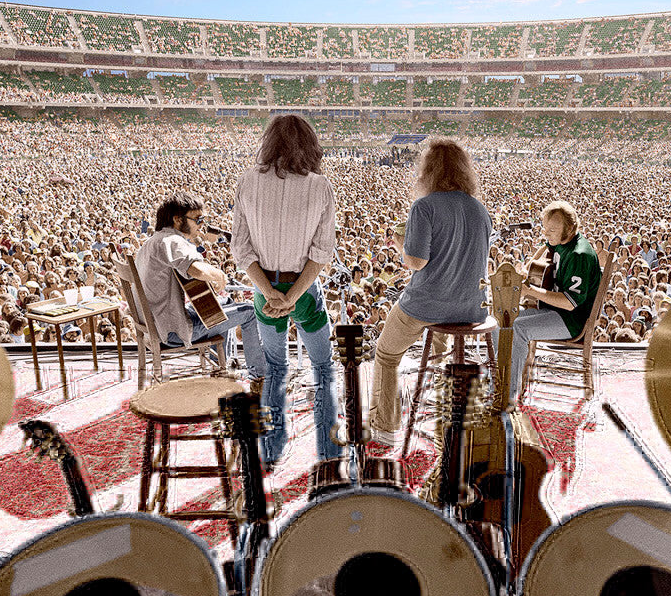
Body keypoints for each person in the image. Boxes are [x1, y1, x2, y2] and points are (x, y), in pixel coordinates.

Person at [231, 115, 340, 470]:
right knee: (323, 368)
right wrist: (293, 296)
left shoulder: (247, 181)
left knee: (276, 368)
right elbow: (321, 253)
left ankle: (272, 452)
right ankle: (329, 454)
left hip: (264, 289)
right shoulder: (320, 186)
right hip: (305, 290)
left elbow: (242, 251)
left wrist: (271, 293)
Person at [368, 139, 491, 445]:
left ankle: (385, 426)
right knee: (438, 345)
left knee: (385, 354)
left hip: (429, 303)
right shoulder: (480, 210)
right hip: (471, 307)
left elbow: (417, 261)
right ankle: (440, 396)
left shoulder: (424, 207)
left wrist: (400, 246)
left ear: (428, 171)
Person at [134, 192, 265, 383]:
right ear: (177, 219)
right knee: (249, 311)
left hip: (155, 325)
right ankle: (259, 374)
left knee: (225, 302)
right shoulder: (171, 240)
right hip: (172, 331)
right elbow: (195, 269)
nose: (201, 225)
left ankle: (222, 366)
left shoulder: (151, 242)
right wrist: (218, 275)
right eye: (197, 219)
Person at [506, 200, 601, 404]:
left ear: (570, 229)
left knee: (517, 329)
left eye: (552, 230)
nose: (546, 234)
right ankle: (503, 379)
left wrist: (531, 290)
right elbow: (545, 247)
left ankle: (509, 396)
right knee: (503, 321)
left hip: (571, 320)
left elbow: (569, 303)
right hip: (553, 311)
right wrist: (530, 266)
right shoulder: (560, 241)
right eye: (545, 228)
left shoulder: (579, 255)